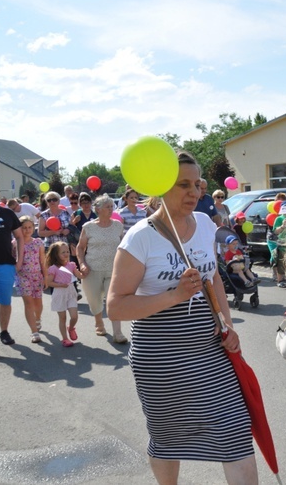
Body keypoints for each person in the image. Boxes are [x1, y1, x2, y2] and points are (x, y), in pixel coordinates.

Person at [106, 152, 257, 484]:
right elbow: (115, 306)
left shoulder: (204, 224)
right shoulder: (140, 237)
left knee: (234, 428)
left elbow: (213, 278)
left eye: (197, 184)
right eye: (183, 185)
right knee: (168, 439)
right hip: (161, 360)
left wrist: (226, 324)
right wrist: (174, 295)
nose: (194, 192)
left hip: (210, 350)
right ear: (161, 188)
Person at [76, 194, 127, 343]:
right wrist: (82, 264)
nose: (111, 209)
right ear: (98, 209)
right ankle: (99, 322)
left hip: (113, 269)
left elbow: (124, 247)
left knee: (113, 301)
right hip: (92, 269)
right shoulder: (89, 227)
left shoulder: (118, 226)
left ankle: (117, 333)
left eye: (112, 206)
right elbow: (80, 248)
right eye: (108, 207)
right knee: (94, 300)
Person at [0, 184, 23, 347]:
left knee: (5, 302)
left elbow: (19, 236)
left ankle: (4, 331)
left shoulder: (7, 213)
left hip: (6, 265)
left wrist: (19, 261)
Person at [44, 242, 85, 348]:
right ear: (56, 254)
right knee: (62, 318)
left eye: (67, 251)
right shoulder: (53, 268)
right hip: (59, 293)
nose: (66, 254)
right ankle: (65, 339)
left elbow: (80, 275)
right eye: (63, 252)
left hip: (71, 292)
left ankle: (71, 328)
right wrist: (60, 285)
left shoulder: (71, 265)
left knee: (74, 316)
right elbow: (49, 283)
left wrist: (85, 271)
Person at [13, 216, 46, 343]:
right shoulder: (15, 243)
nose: (27, 230)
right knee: (28, 303)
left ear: (33, 228)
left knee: (38, 303)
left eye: (29, 227)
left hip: (37, 276)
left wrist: (46, 276)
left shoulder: (38, 242)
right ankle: (34, 332)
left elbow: (42, 260)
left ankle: (37, 319)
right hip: (22, 276)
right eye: (24, 228)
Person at [269, 194, 286, 287]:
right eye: (284, 208)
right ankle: (280, 280)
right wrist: (282, 226)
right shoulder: (279, 218)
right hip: (281, 243)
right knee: (280, 261)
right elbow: (275, 231)